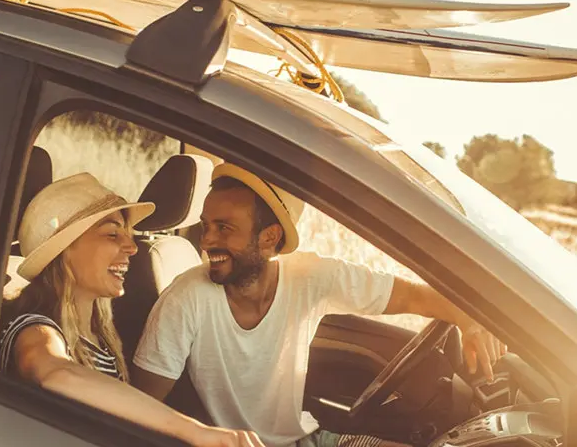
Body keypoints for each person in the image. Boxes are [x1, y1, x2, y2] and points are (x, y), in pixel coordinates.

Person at [132, 163, 507, 447]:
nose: (207, 240)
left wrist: (469, 320)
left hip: (310, 437)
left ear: (269, 238)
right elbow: (137, 409)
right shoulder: (186, 298)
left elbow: (412, 296)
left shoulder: (311, 276)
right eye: (206, 225)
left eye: (224, 228)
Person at [0, 172, 264, 447]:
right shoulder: (33, 329)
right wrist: (196, 432)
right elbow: (55, 372)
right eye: (113, 234)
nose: (132, 247)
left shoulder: (100, 338)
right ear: (64, 250)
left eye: (128, 235)